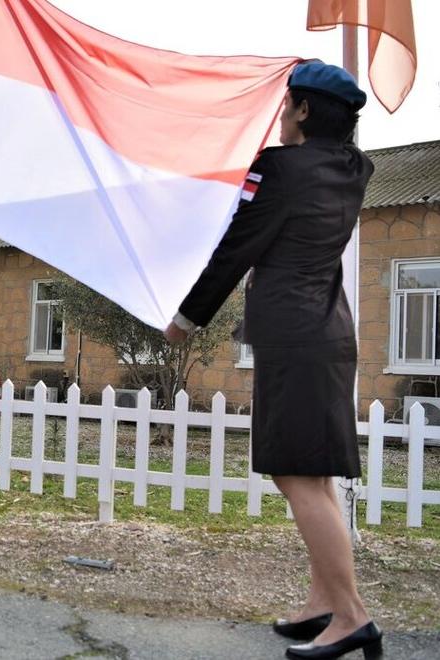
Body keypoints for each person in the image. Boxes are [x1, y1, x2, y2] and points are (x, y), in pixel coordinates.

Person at [164, 61, 381, 660]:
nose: (281, 116)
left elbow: (238, 247)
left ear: (304, 110)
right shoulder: (356, 168)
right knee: (315, 474)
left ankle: (352, 617)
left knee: (294, 474)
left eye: (287, 105)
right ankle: (323, 603)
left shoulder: (280, 169)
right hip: (330, 333)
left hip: (294, 337)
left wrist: (186, 319)